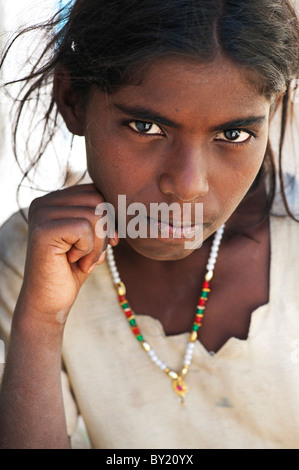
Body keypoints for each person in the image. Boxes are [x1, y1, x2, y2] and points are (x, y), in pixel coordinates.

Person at [0, 0, 299, 450]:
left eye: (233, 134)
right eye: (145, 126)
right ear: (72, 100)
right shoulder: (32, 262)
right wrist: (42, 321)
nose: (187, 185)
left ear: (271, 113)